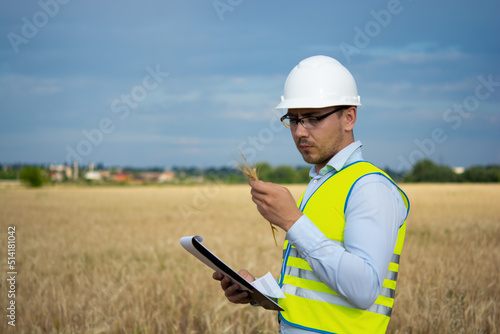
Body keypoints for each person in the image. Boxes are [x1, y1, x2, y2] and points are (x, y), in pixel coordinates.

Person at [213, 55, 409, 334]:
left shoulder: (370, 187)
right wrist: (258, 292)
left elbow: (364, 289)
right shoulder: (322, 184)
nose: (300, 132)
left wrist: (292, 221)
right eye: (293, 120)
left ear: (349, 117)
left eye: (313, 119)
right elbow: (315, 289)